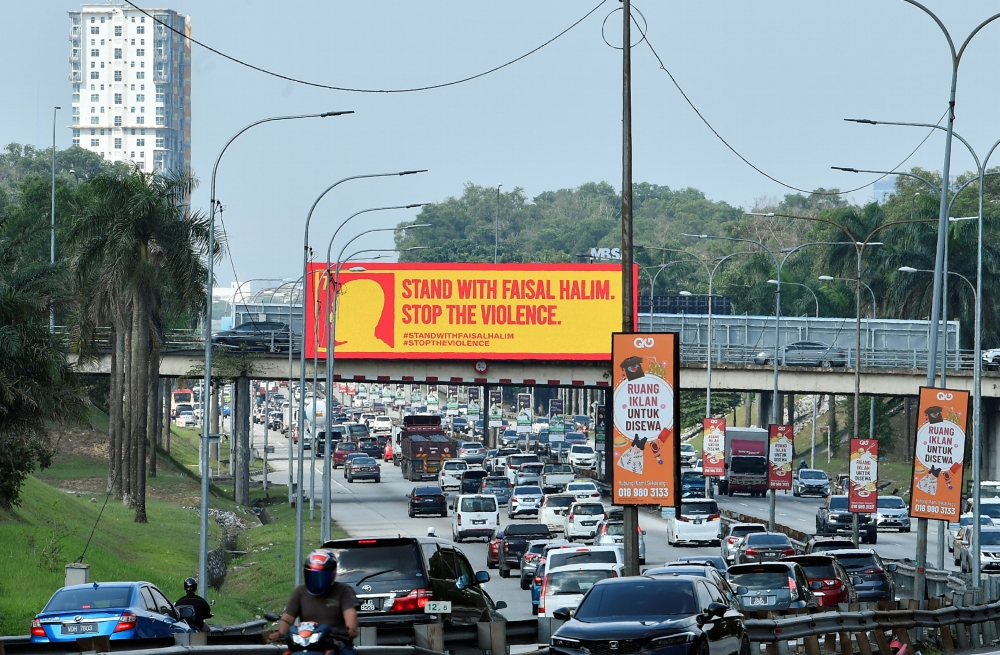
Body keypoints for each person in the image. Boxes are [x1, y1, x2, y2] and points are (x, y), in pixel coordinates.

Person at [278, 549, 359, 654]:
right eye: (313, 576)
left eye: (322, 576)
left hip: (336, 643)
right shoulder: (300, 591)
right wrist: (283, 634)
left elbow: (350, 613)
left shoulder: (343, 590)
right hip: (304, 643)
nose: (317, 580)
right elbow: (288, 618)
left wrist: (351, 628)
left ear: (333, 574)